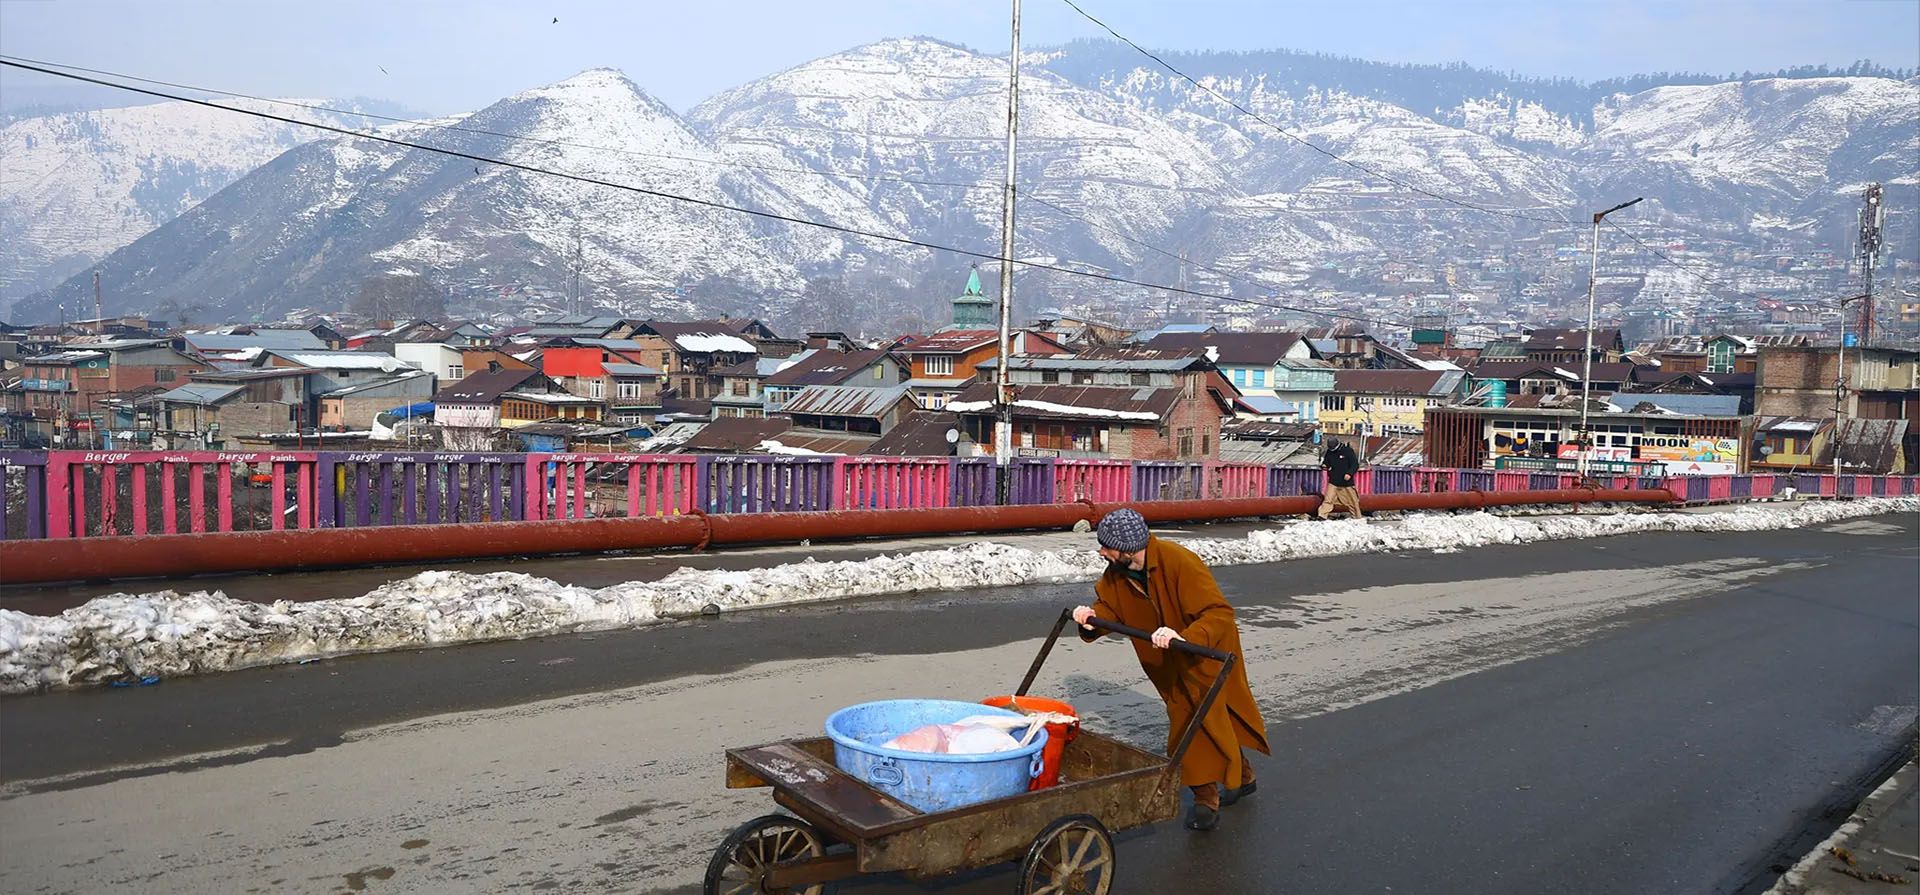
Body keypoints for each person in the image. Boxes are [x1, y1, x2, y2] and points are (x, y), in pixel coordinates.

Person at [1071, 508, 1270, 831]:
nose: (1101, 552)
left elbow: (1219, 613)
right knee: (1213, 720)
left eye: (1106, 547)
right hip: (1167, 660)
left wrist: (1185, 637)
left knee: (1190, 723)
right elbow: (1111, 608)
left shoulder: (1180, 562)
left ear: (1126, 549)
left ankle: (1206, 800)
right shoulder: (1117, 573)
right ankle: (1243, 776)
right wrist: (1091, 619)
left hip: (1204, 653)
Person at [1317, 438, 1362, 520]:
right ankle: (1322, 516)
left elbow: (1355, 465)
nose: (1332, 450)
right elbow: (1326, 462)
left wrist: (1349, 473)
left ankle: (1357, 517)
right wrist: (1324, 466)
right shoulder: (1329, 452)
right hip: (1333, 480)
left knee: (1353, 502)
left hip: (1346, 482)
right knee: (1328, 499)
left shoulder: (1347, 451)